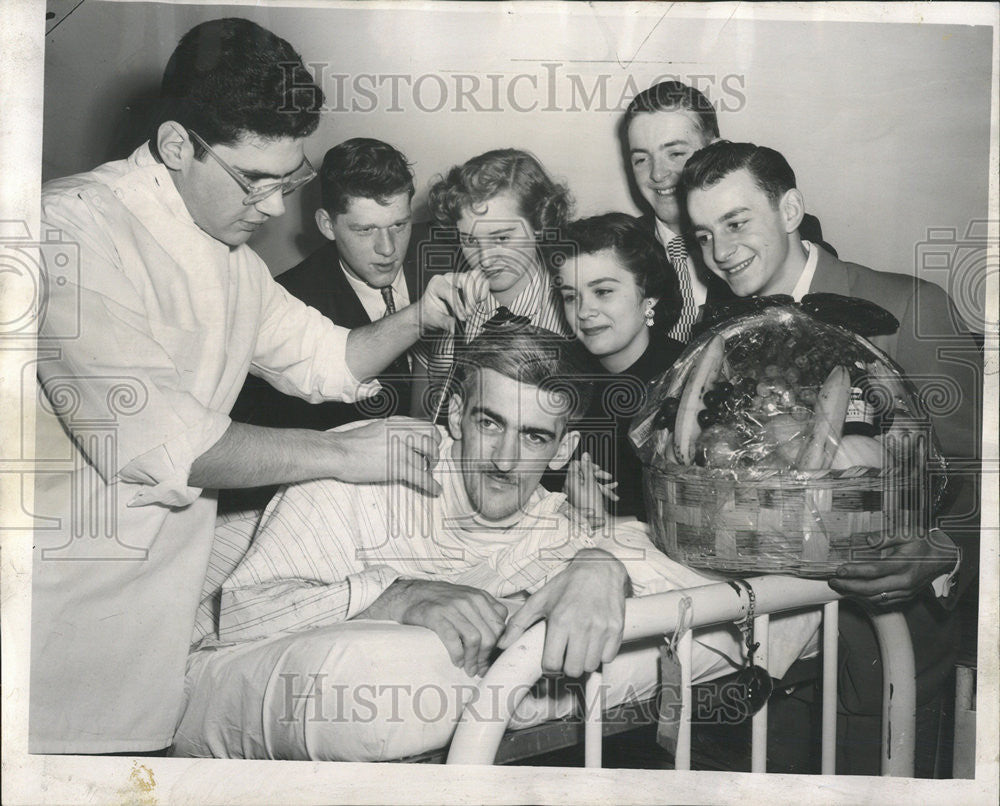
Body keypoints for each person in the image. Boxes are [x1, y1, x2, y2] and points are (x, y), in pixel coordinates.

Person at [30, 18, 482, 755]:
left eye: (290, 178)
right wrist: (341, 455)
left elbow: (326, 359)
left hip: (150, 646)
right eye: (256, 180)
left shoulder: (229, 256)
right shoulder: (71, 231)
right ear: (178, 145)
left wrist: (416, 317)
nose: (275, 207)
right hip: (50, 632)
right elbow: (171, 443)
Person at [172, 322, 822, 761]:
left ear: (565, 449)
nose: (505, 461)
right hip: (176, 633)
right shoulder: (368, 467)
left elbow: (629, 544)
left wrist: (603, 567)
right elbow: (241, 613)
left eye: (534, 438)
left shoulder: (553, 520)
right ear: (455, 415)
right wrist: (397, 595)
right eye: (490, 423)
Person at [679, 139, 982, 775]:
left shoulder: (912, 308)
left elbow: (979, 473)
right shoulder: (723, 339)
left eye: (737, 223)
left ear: (790, 209)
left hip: (883, 660)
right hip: (769, 672)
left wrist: (945, 550)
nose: (722, 253)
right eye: (705, 236)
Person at [222, 138, 428, 512]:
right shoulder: (287, 303)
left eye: (400, 224)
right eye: (365, 230)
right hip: (345, 502)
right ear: (327, 225)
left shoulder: (447, 256)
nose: (388, 248)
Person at [622, 80, 834, 341]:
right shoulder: (620, 250)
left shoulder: (787, 236)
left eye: (675, 153)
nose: (657, 174)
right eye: (641, 159)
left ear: (715, 149)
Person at [411, 148, 573, 418]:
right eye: (470, 241)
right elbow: (420, 417)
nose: (485, 259)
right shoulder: (448, 303)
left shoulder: (573, 312)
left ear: (540, 223)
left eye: (501, 238)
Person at [552, 213, 685, 520]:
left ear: (648, 297)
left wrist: (603, 519)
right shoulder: (556, 373)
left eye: (603, 292)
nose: (584, 312)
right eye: (571, 297)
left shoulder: (686, 375)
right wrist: (565, 484)